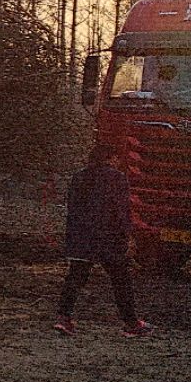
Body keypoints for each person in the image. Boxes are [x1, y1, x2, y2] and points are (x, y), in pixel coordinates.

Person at [55, 142, 153, 337]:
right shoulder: (117, 178)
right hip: (109, 238)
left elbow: (72, 208)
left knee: (75, 278)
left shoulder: (79, 177)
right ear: (110, 157)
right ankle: (131, 323)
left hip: (82, 237)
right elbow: (121, 211)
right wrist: (128, 237)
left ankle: (63, 318)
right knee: (120, 280)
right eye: (116, 158)